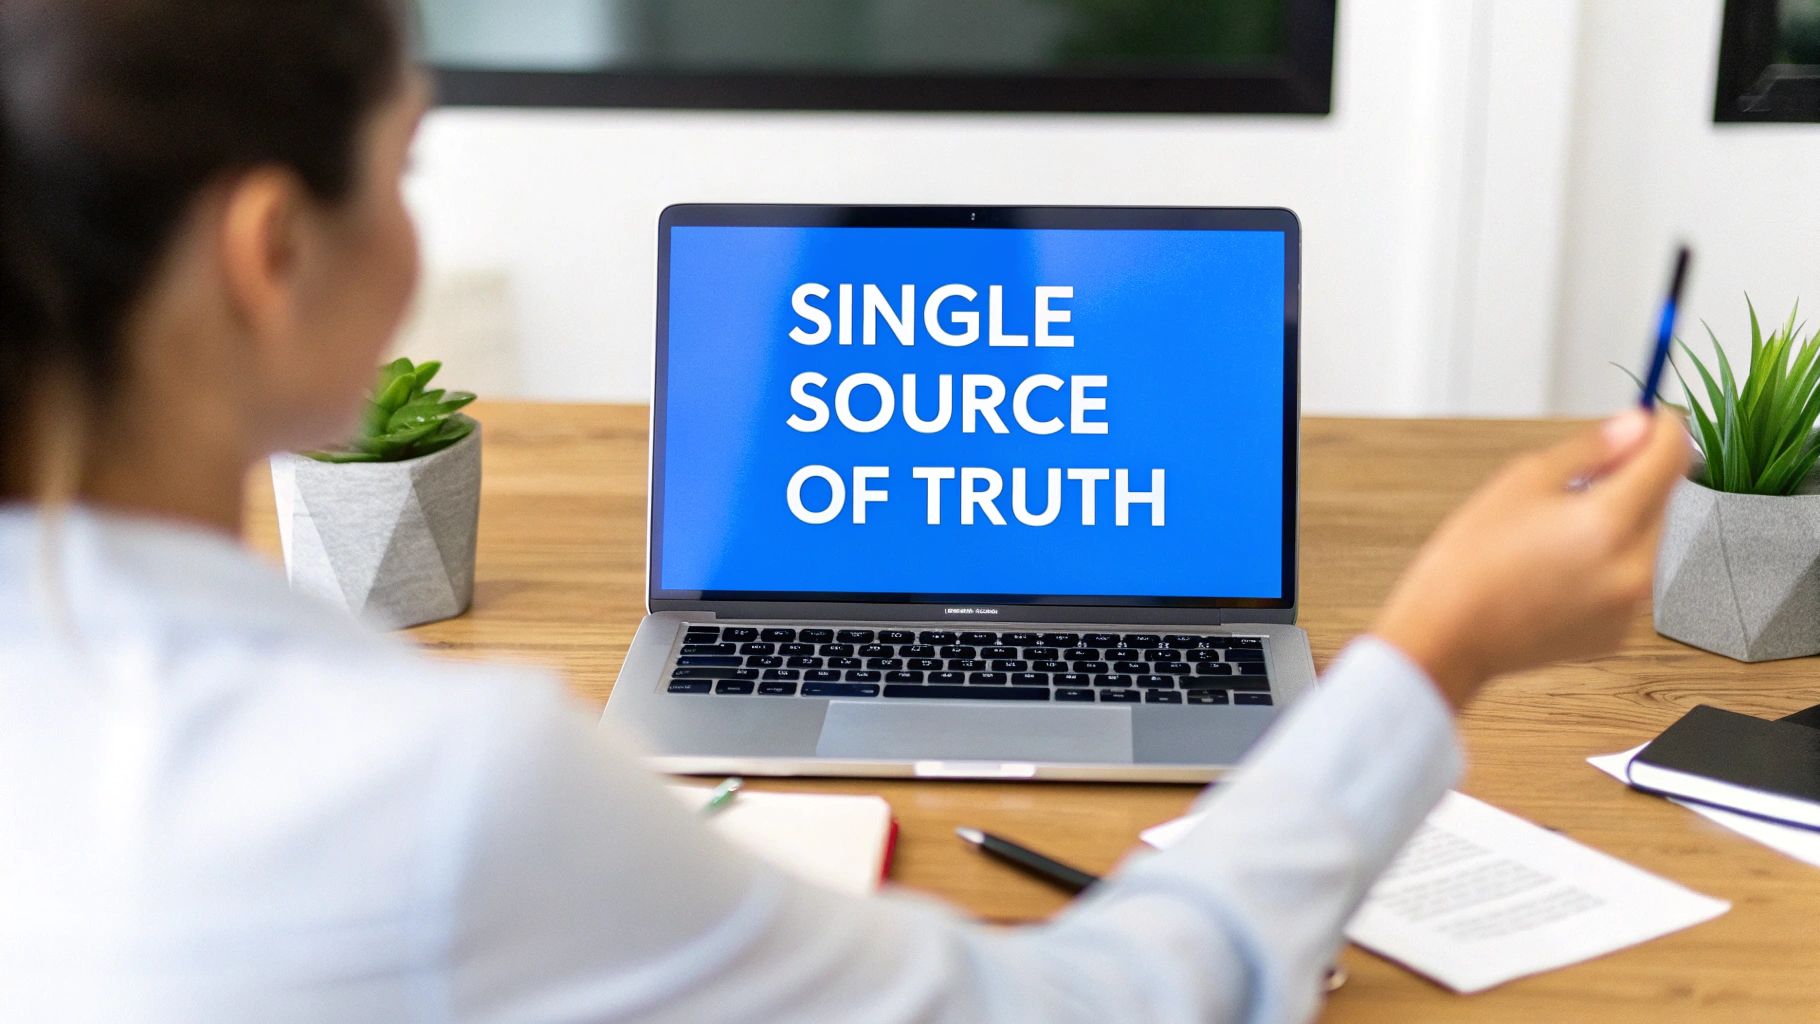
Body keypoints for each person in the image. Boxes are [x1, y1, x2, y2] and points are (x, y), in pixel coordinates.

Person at [0, 2, 1690, 1021]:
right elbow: (1106, 1002)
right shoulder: (449, 789)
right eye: (407, 167)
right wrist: (1442, 644)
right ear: (271, 253)